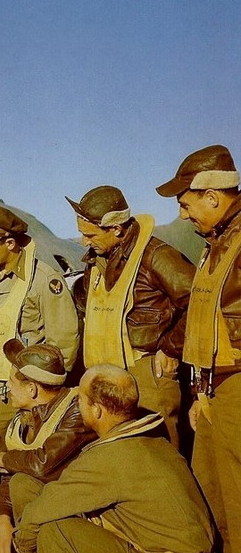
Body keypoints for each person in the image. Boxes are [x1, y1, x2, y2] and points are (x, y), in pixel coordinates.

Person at [12, 364, 218, 553]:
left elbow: (41, 511)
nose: (77, 403)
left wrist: (27, 552)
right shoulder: (154, 441)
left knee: (57, 532)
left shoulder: (110, 458)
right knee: (86, 535)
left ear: (96, 409)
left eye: (80, 399)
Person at [157, 144, 241, 553]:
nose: (183, 214)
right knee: (213, 495)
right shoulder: (217, 244)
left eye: (186, 203)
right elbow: (206, 326)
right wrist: (199, 391)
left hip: (236, 389)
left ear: (212, 196)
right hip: (213, 392)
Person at [0, 204, 79, 506]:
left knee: (23, 475)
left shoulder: (44, 279)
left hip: (19, 398)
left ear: (10, 243)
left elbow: (64, 343)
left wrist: (43, 399)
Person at [0, 340, 95, 553]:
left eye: (12, 381)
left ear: (32, 389)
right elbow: (9, 476)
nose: (7, 387)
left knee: (23, 485)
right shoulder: (21, 418)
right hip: (28, 514)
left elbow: (42, 464)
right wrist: (2, 517)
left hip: (66, 516)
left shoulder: (76, 411)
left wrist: (6, 458)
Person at [66, 186, 195, 447]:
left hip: (145, 371)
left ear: (116, 229)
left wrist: (171, 348)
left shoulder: (156, 255)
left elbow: (198, 302)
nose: (84, 242)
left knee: (159, 449)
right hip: (105, 372)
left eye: (90, 235)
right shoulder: (97, 261)